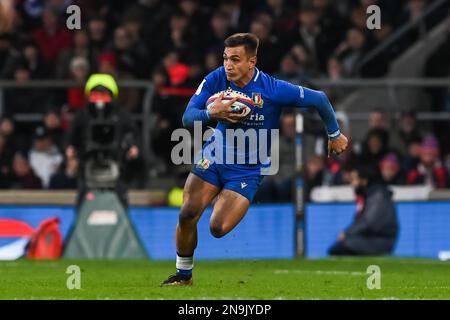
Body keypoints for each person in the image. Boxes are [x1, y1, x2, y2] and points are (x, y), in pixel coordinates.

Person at [162, 33, 348, 286]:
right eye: (226, 58)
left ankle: (228, 194)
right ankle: (183, 275)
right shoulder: (216, 78)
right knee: (187, 214)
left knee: (217, 228)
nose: (228, 65)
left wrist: (334, 134)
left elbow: (319, 99)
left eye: (235, 59)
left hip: (247, 169)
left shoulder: (273, 89)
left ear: (252, 62)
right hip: (214, 156)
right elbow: (188, 118)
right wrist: (211, 113)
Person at [66, 74, 143, 208]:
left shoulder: (121, 114)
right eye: (95, 94)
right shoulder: (83, 115)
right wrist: (70, 150)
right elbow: (71, 137)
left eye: (103, 94)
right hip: (88, 163)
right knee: (83, 196)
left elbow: (133, 134)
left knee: (120, 194)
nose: (99, 99)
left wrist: (133, 147)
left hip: (115, 162)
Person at [328, 165, 398, 256]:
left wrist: (347, 233)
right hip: (372, 239)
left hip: (381, 241)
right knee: (339, 247)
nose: (352, 183)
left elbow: (368, 222)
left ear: (364, 180)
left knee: (342, 246)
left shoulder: (377, 195)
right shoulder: (369, 196)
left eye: (354, 179)